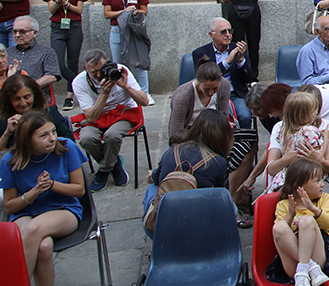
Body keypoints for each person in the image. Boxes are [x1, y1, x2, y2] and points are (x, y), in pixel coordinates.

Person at [0, 111, 87, 286]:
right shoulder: (10, 161)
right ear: (27, 139)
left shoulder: (65, 147)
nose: (52, 138)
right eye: (44, 135)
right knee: (43, 247)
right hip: (26, 210)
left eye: (53, 132)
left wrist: (52, 186)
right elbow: (10, 206)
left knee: (33, 230)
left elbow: (79, 190)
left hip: (63, 210)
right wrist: (32, 194)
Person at [142, 109, 233, 239]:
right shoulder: (218, 162)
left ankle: (154, 243)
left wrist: (152, 176)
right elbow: (220, 195)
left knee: (152, 189)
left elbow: (156, 179)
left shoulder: (172, 151)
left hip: (164, 225)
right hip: (200, 227)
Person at [265, 158, 329, 286]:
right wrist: (290, 216)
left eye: (322, 179)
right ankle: (308, 270)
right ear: (300, 186)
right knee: (279, 226)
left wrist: (314, 210)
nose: (322, 184)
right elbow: (279, 235)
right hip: (293, 263)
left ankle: (306, 273)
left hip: (321, 256)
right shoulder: (284, 205)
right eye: (317, 181)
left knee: (307, 221)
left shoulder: (324, 199)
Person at [72, 49, 149, 191]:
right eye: (93, 71)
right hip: (97, 116)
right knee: (86, 138)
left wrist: (125, 86)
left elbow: (144, 101)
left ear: (107, 62)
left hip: (124, 114)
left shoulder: (121, 71)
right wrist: (104, 93)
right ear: (84, 68)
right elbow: (91, 117)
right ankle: (115, 164)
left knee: (112, 136)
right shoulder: (79, 82)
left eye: (101, 69)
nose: (98, 74)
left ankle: (103, 171)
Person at [264, 89, 329, 194]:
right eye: (313, 110)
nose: (316, 113)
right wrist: (326, 138)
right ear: (302, 114)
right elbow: (319, 154)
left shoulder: (283, 131)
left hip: (291, 175)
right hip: (311, 173)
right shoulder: (310, 131)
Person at [193, 18, 254, 129]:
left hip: (235, 94)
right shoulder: (200, 53)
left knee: (244, 116)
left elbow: (249, 78)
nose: (228, 35)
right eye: (223, 32)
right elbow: (206, 77)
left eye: (230, 31)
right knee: (211, 121)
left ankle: (244, 144)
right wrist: (227, 62)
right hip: (211, 95)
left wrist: (240, 61)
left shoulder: (238, 48)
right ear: (211, 35)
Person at [43, 0, 88, 110]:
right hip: (57, 27)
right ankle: (84, 85)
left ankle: (70, 97)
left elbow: (79, 10)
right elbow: (51, 9)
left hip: (74, 27)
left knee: (72, 63)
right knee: (59, 64)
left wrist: (66, 3)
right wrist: (57, 1)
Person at [102, 0, 150, 95]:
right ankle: (121, 92)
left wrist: (134, 11)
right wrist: (123, 11)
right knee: (118, 63)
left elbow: (144, 11)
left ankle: (145, 93)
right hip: (117, 29)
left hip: (133, 30)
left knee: (139, 61)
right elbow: (107, 14)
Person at [221, 0, 267, 81]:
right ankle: (239, 75)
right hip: (236, 11)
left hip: (252, 10)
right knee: (237, 44)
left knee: (254, 45)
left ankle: (253, 77)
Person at [167, 60, 232, 144]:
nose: (211, 93)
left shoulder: (224, 85)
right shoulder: (182, 96)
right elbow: (175, 134)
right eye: (206, 89)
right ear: (198, 79)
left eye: (215, 88)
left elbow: (223, 115)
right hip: (190, 135)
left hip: (214, 131)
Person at [2, 74, 69, 153]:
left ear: (34, 95)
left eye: (27, 97)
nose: (23, 103)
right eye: (16, 99)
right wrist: (7, 133)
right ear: (9, 100)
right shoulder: (3, 118)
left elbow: (68, 140)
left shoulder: (49, 112)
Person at [9, 17, 60, 103]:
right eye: (15, 32)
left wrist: (27, 88)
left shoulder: (46, 52)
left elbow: (52, 76)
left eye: (22, 31)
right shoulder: (7, 53)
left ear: (35, 33)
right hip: (10, 96)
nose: (17, 35)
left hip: (37, 96)